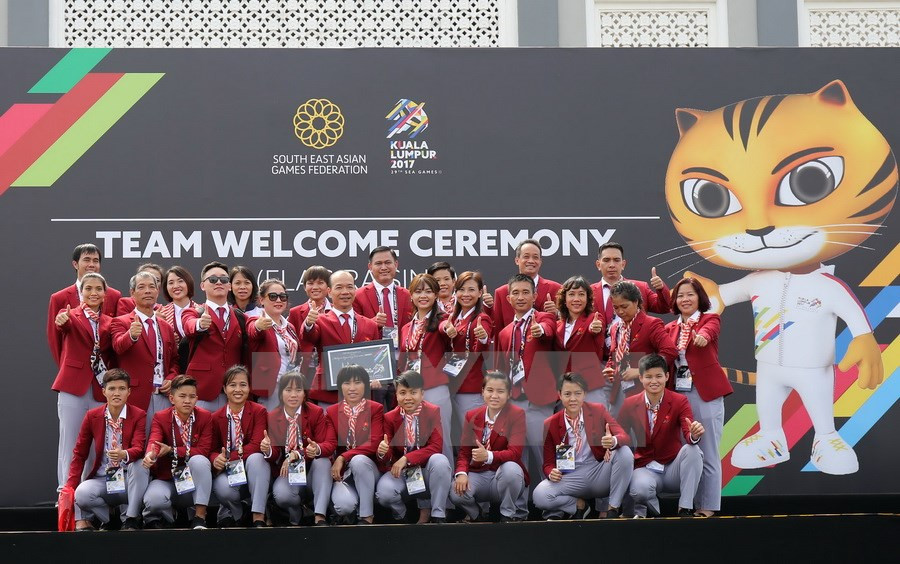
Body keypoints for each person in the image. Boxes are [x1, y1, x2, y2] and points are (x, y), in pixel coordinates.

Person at [664, 277, 731, 517]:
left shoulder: (709, 319)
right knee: (688, 450)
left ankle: (709, 505)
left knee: (709, 449)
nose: (685, 299)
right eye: (680, 295)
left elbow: (708, 331)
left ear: (699, 297)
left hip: (705, 393)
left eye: (690, 294)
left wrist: (701, 336)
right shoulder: (668, 328)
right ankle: (686, 504)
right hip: (678, 395)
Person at [532, 373, 634, 520]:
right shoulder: (550, 423)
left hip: (598, 471)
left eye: (577, 393)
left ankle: (613, 508)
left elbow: (624, 437)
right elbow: (547, 463)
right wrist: (550, 472)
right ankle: (579, 506)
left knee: (624, 453)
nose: (573, 399)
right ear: (559, 395)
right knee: (540, 495)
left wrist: (613, 441)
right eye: (567, 394)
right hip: (571, 476)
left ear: (585, 394)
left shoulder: (598, 410)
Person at [617, 354, 705, 518]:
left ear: (667, 376)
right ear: (641, 378)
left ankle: (685, 509)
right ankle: (653, 509)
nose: (654, 381)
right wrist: (613, 443)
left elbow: (688, 432)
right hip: (646, 467)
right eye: (648, 377)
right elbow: (621, 433)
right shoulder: (630, 403)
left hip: (673, 468)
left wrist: (693, 435)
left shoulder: (679, 401)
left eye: (658, 376)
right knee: (639, 491)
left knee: (693, 450)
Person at [52, 272, 114, 493]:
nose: (93, 293)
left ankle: (87, 493)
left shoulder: (110, 322)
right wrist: (62, 321)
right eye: (88, 289)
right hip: (73, 387)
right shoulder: (68, 314)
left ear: (105, 294)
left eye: (98, 289)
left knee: (96, 446)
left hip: (99, 389)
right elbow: (62, 326)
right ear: (81, 293)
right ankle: (66, 493)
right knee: (69, 443)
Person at [66, 369, 148, 531]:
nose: (116, 393)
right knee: (82, 494)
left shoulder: (139, 414)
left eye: (121, 389)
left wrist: (123, 454)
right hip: (103, 478)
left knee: (139, 466)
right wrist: (70, 486)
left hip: (127, 480)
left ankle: (131, 519)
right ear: (104, 391)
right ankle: (109, 519)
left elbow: (139, 448)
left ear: (129, 392)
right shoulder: (92, 416)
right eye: (112, 389)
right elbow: (79, 453)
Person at [492, 273, 557, 476]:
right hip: (513, 401)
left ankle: (554, 503)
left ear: (535, 296)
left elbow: (550, 329)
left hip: (538, 400)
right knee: (517, 457)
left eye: (526, 292)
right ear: (508, 298)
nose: (520, 297)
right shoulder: (505, 333)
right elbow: (501, 369)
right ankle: (521, 506)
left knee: (543, 452)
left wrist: (541, 330)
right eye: (516, 293)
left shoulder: (544, 318)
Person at [450, 371, 529, 522]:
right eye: (490, 390)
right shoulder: (471, 415)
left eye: (500, 391)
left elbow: (515, 453)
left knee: (512, 469)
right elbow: (464, 453)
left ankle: (507, 515)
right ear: (482, 392)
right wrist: (461, 473)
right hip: (479, 474)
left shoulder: (517, 414)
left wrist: (489, 456)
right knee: (455, 491)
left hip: (502, 474)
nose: (494, 395)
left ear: (509, 394)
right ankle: (476, 515)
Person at [375, 371, 452, 523]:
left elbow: (436, 446)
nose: (408, 397)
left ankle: (438, 514)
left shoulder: (432, 411)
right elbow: (387, 455)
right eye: (402, 393)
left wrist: (406, 458)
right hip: (402, 473)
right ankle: (403, 515)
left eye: (413, 392)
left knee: (440, 461)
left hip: (426, 469)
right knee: (384, 493)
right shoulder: (390, 417)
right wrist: (383, 452)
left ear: (422, 394)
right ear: (396, 395)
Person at [140, 375, 214, 530]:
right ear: (172, 398)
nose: (187, 401)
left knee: (200, 460)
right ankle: (167, 519)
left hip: (193, 480)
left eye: (192, 397)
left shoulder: (205, 417)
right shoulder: (160, 417)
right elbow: (155, 440)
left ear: (197, 398)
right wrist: (150, 454)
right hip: (167, 477)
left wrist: (173, 451)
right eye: (182, 396)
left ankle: (200, 517)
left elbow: (204, 450)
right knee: (154, 500)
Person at [301, 270, 381, 407]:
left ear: (355, 291)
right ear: (329, 292)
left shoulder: (370, 325)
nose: (345, 292)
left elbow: (377, 358)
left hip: (361, 396)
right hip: (328, 394)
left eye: (350, 287)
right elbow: (309, 337)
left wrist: (377, 377)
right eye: (339, 287)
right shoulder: (320, 321)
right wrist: (308, 323)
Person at [110, 271, 179, 429]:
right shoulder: (120, 322)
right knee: (135, 447)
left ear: (157, 291)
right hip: (135, 394)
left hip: (163, 395)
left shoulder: (166, 326)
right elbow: (118, 348)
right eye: (141, 287)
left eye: (151, 287)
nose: (147, 291)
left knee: (160, 446)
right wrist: (131, 336)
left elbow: (174, 359)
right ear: (132, 293)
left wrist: (171, 377)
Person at [267, 371, 336, 526]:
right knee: (282, 495)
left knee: (323, 461)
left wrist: (302, 452)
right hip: (287, 472)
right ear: (281, 393)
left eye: (298, 390)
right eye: (288, 390)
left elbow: (327, 445)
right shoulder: (272, 416)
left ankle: (320, 516)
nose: (293, 395)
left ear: (305, 394)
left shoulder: (315, 412)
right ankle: (296, 514)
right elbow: (275, 453)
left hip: (312, 471)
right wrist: (267, 449)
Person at [399, 273, 453, 459]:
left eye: (429, 291)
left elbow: (444, 327)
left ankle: (447, 482)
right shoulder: (407, 327)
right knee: (415, 437)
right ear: (411, 295)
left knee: (441, 436)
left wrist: (448, 327)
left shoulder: (442, 319)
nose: (423, 296)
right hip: (411, 390)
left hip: (435, 388)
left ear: (436, 295)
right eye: (418, 291)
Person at [209, 365, 270, 527]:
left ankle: (258, 517)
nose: (238, 389)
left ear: (249, 388)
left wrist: (228, 457)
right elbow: (212, 449)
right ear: (224, 388)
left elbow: (257, 445)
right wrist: (216, 459)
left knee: (257, 458)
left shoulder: (259, 411)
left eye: (243, 384)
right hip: (230, 472)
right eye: (232, 385)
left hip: (251, 468)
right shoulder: (215, 417)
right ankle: (240, 514)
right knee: (221, 487)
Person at [181, 261, 247, 412]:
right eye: (212, 279)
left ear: (229, 286)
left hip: (233, 391)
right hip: (202, 391)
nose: (219, 282)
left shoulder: (239, 316)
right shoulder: (194, 312)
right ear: (202, 285)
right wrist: (200, 324)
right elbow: (188, 325)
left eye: (223, 279)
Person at [603, 281, 677, 413]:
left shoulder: (651, 324)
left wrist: (641, 371)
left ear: (636, 302)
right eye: (616, 307)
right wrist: (610, 368)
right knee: (618, 430)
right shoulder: (615, 327)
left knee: (641, 432)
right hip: (618, 389)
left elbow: (670, 352)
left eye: (624, 306)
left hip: (644, 390)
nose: (620, 311)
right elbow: (613, 355)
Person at [47, 243, 121, 367]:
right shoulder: (59, 298)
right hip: (74, 370)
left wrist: (112, 371)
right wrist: (65, 367)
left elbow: (118, 336)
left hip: (105, 372)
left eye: (95, 261)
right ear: (75, 264)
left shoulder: (114, 295)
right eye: (87, 260)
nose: (91, 264)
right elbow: (55, 338)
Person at [327, 365, 384, 525]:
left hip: (368, 468)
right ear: (340, 386)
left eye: (357, 382)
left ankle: (366, 517)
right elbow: (330, 443)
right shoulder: (332, 412)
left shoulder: (375, 408)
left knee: (358, 460)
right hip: (344, 473)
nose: (352, 388)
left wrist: (343, 457)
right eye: (346, 383)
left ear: (365, 385)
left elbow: (374, 443)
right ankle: (348, 511)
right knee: (344, 506)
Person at [443, 271, 493, 431]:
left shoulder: (481, 318)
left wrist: (484, 337)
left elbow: (481, 347)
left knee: (473, 434)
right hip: (452, 384)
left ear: (480, 293)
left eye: (471, 290)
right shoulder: (454, 317)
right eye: (461, 289)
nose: (466, 294)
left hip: (470, 387)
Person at [247, 279, 300, 410]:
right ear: (261, 300)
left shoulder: (290, 327)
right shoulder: (256, 320)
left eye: (282, 297)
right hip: (272, 388)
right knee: (272, 429)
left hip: (292, 387)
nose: (278, 300)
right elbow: (253, 331)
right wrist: (258, 326)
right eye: (272, 296)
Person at [590, 242, 672, 326]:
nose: (612, 265)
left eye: (616, 260)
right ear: (598, 265)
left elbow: (664, 308)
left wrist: (661, 288)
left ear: (623, 264)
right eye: (606, 260)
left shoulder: (640, 288)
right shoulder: (588, 292)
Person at [555, 275, 606, 403]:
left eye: (581, 294)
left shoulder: (594, 318)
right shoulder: (558, 325)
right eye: (571, 294)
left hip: (590, 388)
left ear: (587, 299)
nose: (576, 299)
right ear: (564, 299)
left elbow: (596, 327)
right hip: (566, 388)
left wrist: (595, 328)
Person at [488, 239, 561, 329]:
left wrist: (557, 314)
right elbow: (497, 330)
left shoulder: (556, 289)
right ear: (517, 260)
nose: (531, 261)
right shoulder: (502, 293)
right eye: (526, 257)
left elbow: (567, 326)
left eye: (535, 257)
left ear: (540, 262)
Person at [353, 246, 413, 343]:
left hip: (403, 353)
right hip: (372, 353)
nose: (384, 267)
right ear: (370, 267)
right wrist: (372, 322)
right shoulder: (358, 296)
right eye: (378, 263)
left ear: (396, 264)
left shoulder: (408, 295)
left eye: (388, 262)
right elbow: (352, 329)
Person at [287, 265, 333, 379]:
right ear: (304, 287)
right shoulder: (295, 312)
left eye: (320, 282)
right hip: (304, 370)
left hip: (330, 368)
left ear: (328, 287)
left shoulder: (336, 311)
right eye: (310, 283)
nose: (315, 287)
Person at [158, 265, 198, 352]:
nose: (176, 286)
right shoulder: (161, 314)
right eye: (171, 283)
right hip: (171, 362)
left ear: (188, 283)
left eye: (180, 281)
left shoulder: (202, 311)